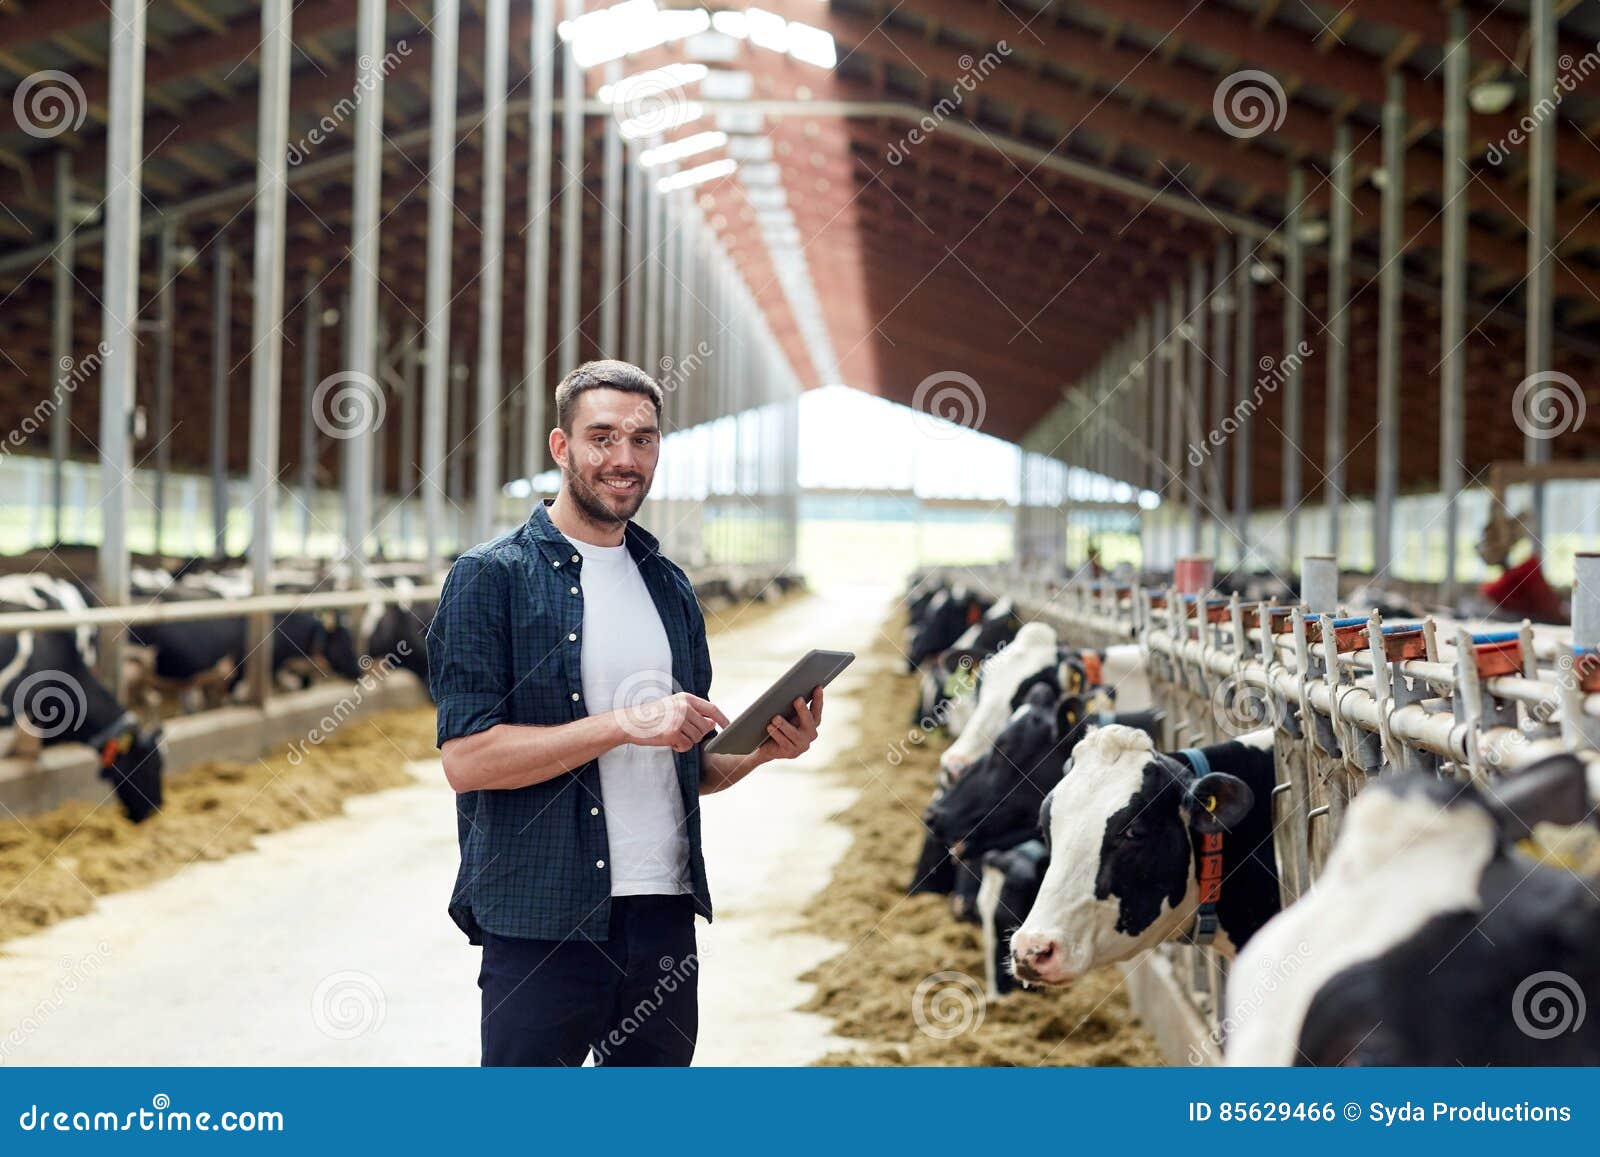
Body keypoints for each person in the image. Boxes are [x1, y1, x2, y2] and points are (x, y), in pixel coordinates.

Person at [426, 359, 825, 1066]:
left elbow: (687, 768)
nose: (624, 459)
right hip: (542, 919)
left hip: (661, 919)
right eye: (602, 437)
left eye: (643, 440)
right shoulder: (492, 578)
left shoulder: (669, 587)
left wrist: (765, 748)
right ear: (561, 446)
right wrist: (623, 723)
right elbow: (468, 760)